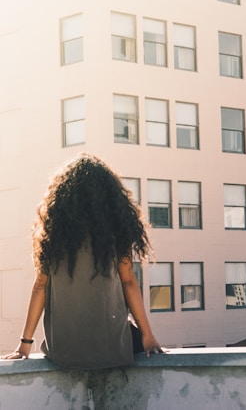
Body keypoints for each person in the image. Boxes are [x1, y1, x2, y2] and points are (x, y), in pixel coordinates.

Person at [2, 153, 165, 369]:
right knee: (129, 332)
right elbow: (128, 282)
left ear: (61, 198)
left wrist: (24, 345)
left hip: (63, 352)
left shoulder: (52, 235)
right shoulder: (116, 232)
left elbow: (40, 286)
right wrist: (148, 336)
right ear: (109, 196)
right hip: (111, 350)